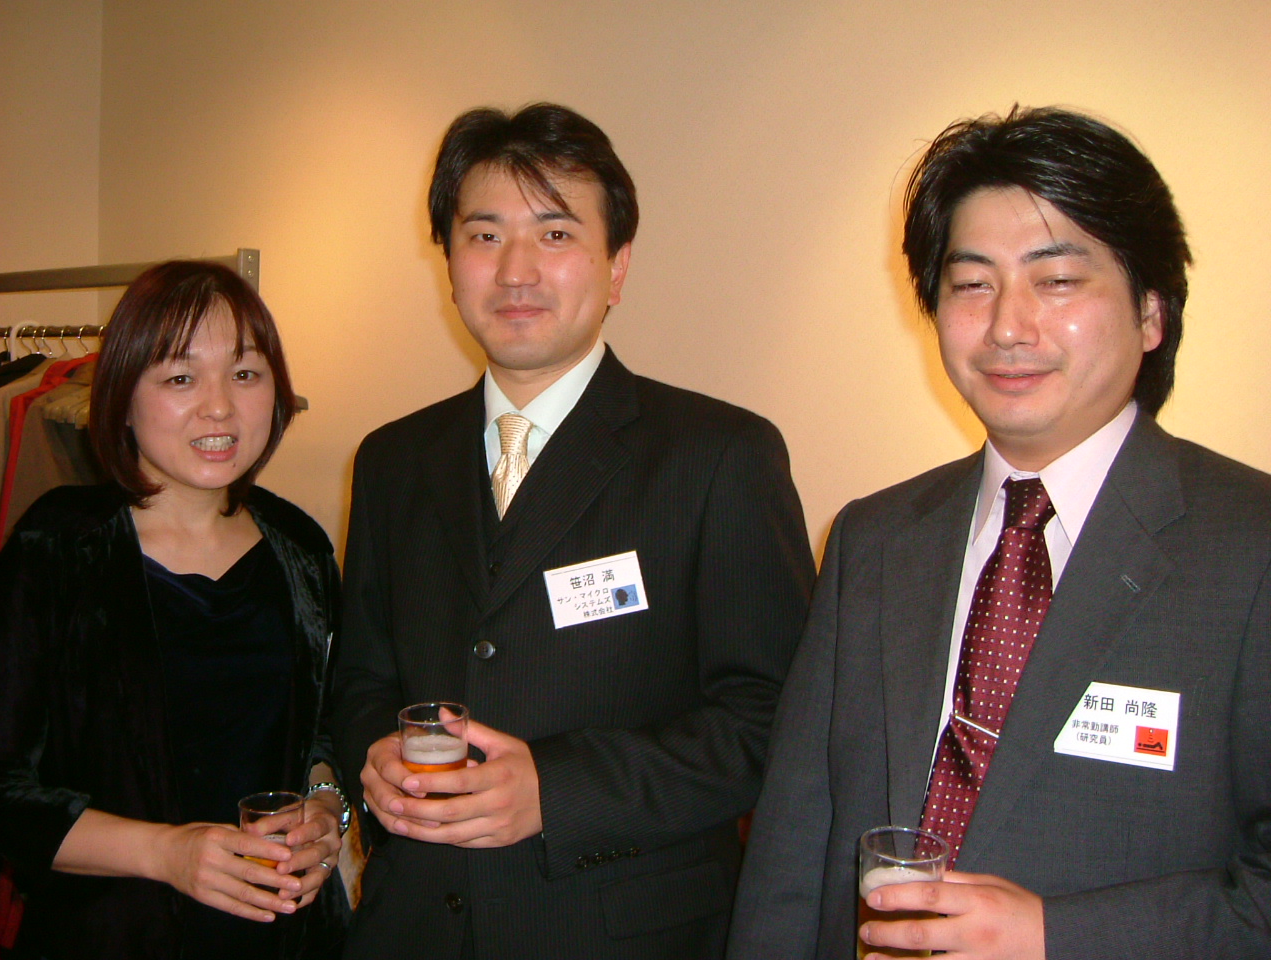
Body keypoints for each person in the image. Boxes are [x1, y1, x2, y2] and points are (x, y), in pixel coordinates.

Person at [727, 106, 1271, 960]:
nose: (1008, 326)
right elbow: (796, 845)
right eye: (973, 284)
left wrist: (1057, 936)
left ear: (1152, 312)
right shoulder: (874, 539)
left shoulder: (1250, 546)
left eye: (1057, 281)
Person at [330, 103, 815, 960]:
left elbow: (771, 719)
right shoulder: (393, 459)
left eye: (555, 235)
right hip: (414, 927)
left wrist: (558, 790)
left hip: (621, 932)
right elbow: (362, 678)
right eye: (484, 236)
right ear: (449, 264)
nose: (515, 270)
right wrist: (376, 755)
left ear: (617, 265)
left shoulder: (718, 456)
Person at [0, 261, 351, 959]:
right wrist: (167, 853)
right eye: (181, 378)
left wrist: (325, 810)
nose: (219, 407)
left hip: (287, 935)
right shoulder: (58, 547)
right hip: (111, 936)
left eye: (244, 374)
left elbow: (321, 735)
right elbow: (0, 788)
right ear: (122, 398)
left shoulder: (300, 547)